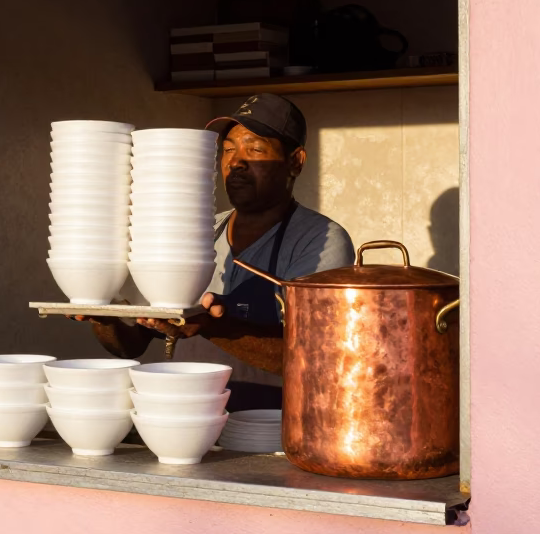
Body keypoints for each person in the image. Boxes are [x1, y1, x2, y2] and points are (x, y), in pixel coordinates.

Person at [78, 93, 355, 411]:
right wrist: (102, 314)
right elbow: (132, 345)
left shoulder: (320, 240)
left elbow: (318, 357)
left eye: (254, 149)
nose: (235, 162)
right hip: (189, 425)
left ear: (296, 162)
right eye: (227, 150)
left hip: (272, 432)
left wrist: (213, 327)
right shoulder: (199, 231)